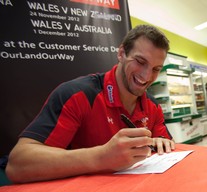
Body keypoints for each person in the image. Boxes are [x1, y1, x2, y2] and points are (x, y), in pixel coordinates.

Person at [6, 24, 175, 183]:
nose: (146, 77)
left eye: (156, 69)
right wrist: (101, 157)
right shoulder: (77, 94)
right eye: (140, 61)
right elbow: (18, 164)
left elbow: (163, 142)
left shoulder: (153, 105)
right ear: (121, 53)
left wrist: (162, 143)